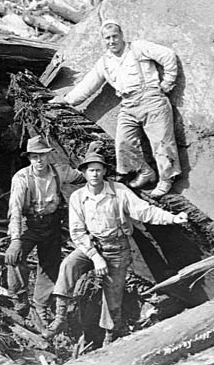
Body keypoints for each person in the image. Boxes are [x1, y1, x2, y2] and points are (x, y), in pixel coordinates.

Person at [42, 147, 188, 345]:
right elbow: (77, 232)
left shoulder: (118, 191)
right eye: (90, 170)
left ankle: (110, 336)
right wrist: (95, 257)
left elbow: (144, 211)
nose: (95, 174)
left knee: (113, 294)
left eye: (98, 170)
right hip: (92, 246)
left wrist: (172, 218)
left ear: (104, 171)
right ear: (84, 173)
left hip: (117, 249)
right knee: (69, 265)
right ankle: (60, 318)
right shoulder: (78, 197)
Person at [60, 20, 180, 198]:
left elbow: (168, 55)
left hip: (152, 100)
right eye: (107, 38)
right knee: (123, 143)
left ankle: (166, 180)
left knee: (161, 143)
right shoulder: (104, 62)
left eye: (115, 36)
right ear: (103, 40)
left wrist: (168, 82)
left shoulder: (138, 48)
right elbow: (88, 85)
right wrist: (66, 100)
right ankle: (145, 171)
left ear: (122, 35)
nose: (112, 41)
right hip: (128, 104)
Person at [5, 135, 82, 324]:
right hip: (29, 223)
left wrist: (90, 157)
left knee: (49, 265)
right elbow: (15, 209)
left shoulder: (60, 172)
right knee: (14, 258)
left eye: (42, 156)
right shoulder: (22, 177)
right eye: (34, 157)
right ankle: (20, 297)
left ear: (49, 155)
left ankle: (41, 305)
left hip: (51, 223)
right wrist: (15, 240)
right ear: (29, 158)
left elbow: (82, 175)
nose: (39, 161)